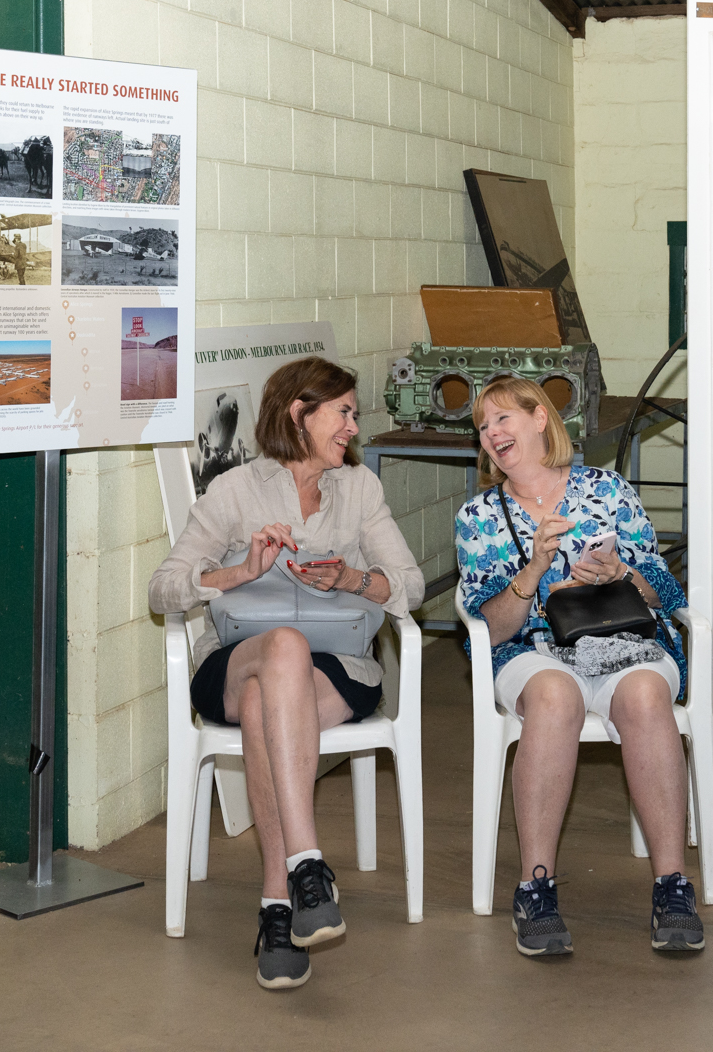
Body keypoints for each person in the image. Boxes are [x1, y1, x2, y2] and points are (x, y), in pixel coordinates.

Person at [147, 356, 424, 991]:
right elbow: (164, 589)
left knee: (270, 694)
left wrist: (351, 578)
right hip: (239, 654)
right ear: (300, 415)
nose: (354, 425)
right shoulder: (235, 490)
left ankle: (278, 904)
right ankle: (307, 861)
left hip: (340, 666)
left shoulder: (360, 491)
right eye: (344, 412)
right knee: (282, 651)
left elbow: (409, 582)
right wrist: (238, 571)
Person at [453, 376, 700, 958]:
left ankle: (672, 885)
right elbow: (491, 627)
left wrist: (621, 575)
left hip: (622, 637)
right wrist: (535, 569)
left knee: (644, 695)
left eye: (502, 419)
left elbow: (663, 587)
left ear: (541, 420)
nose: (491, 434)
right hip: (530, 648)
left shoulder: (606, 489)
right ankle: (535, 888)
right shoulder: (480, 516)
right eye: (483, 428)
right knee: (555, 699)